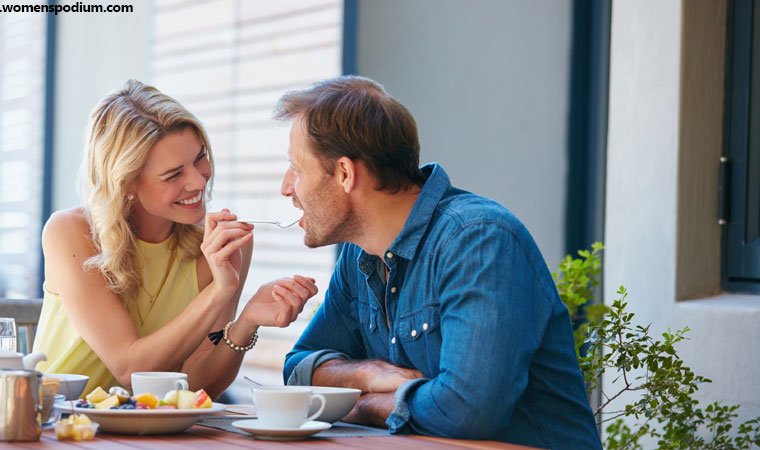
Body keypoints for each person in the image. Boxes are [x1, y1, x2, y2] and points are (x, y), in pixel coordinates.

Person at [277, 76, 601, 449]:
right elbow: (299, 370)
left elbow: (469, 410)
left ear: (345, 174)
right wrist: (367, 373)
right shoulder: (359, 255)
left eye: (297, 170)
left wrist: (368, 406)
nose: (287, 187)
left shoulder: (478, 240)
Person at [33, 80, 318, 398]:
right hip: (60, 425)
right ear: (126, 182)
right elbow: (129, 370)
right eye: (173, 175)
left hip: (151, 433)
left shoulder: (216, 249)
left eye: (199, 158)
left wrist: (246, 321)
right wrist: (219, 292)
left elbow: (195, 385)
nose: (198, 181)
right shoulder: (71, 233)